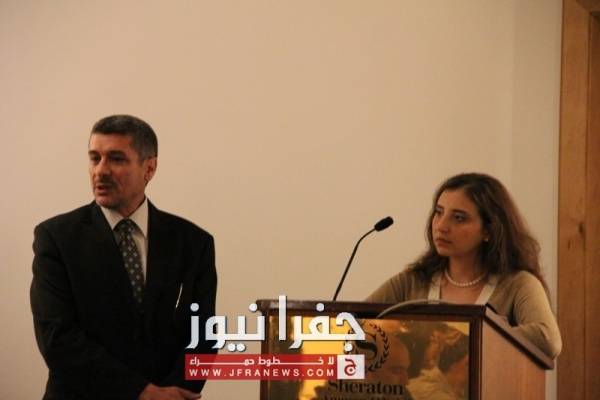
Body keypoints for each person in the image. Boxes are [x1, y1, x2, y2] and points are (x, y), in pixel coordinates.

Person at [30, 115, 217, 400]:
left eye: (116, 159)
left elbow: (203, 334)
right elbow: (57, 339)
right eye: (95, 158)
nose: (101, 171)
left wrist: (173, 394)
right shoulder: (56, 238)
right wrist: (141, 393)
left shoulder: (193, 243)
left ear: (149, 168)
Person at [366, 173, 562, 359]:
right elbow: (353, 327)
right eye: (439, 213)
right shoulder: (412, 281)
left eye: (459, 218)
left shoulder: (517, 284)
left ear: (489, 230)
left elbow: (548, 339)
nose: (441, 226)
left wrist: (468, 336)